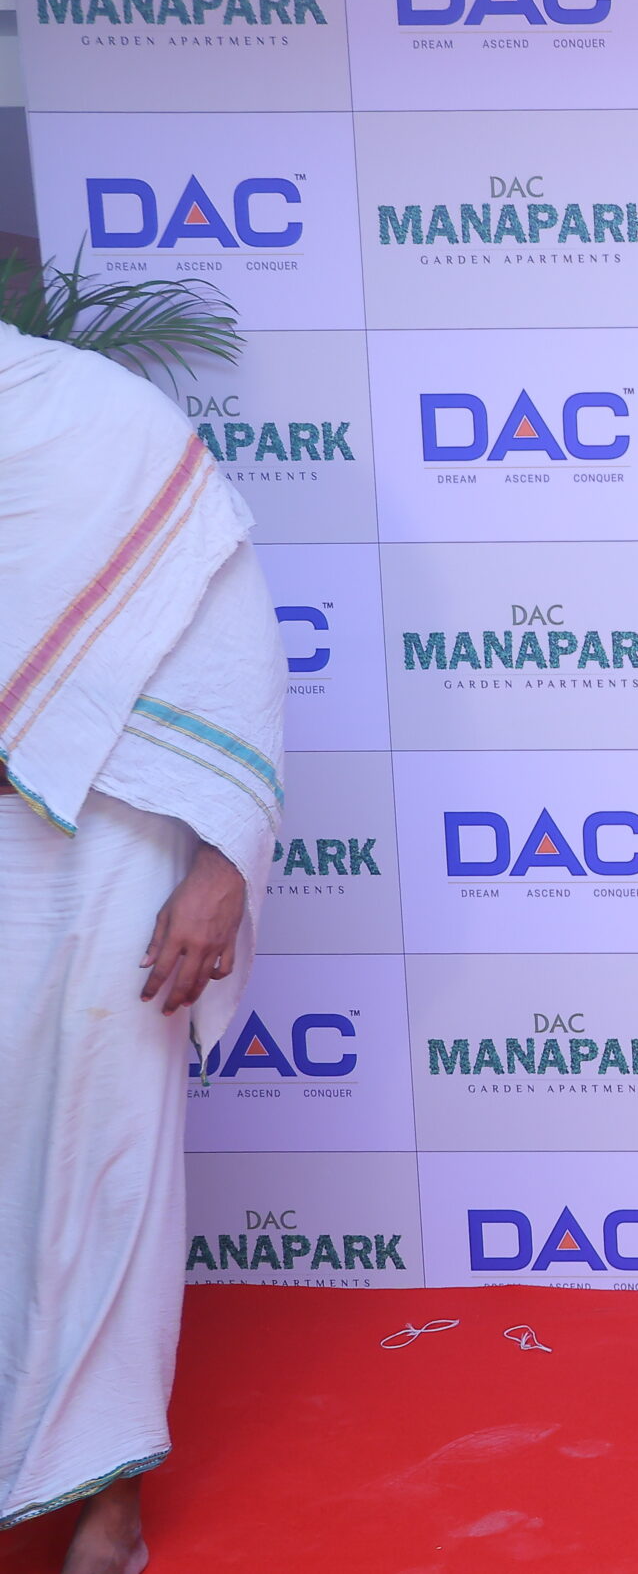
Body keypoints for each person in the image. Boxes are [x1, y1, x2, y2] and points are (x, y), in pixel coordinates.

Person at [1, 323, 283, 1573]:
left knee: (108, 1157)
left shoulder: (98, 416)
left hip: (105, 840)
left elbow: (234, 646)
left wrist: (222, 867)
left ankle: (105, 1502)